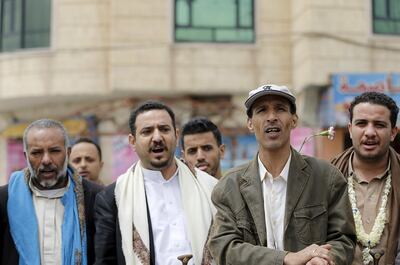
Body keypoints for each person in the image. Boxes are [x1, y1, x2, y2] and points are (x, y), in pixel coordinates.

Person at [208, 84, 356, 265]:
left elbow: (344, 240)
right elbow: (223, 247)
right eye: (262, 110)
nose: (271, 117)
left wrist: (324, 259)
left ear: (294, 120)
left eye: (280, 109)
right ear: (250, 124)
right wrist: (286, 258)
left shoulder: (326, 178)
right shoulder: (229, 186)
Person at [94, 100, 217, 265]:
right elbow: (105, 261)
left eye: (164, 129)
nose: (157, 137)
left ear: (176, 135)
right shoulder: (112, 197)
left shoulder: (211, 188)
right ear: (132, 141)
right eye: (147, 131)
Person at [0, 119, 102, 265]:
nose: (46, 160)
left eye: (54, 151)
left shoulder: (95, 197)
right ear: (26, 156)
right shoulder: (5, 199)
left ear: (68, 153)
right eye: (37, 153)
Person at [331, 92, 400, 265]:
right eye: (361, 123)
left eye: (379, 125)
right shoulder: (326, 177)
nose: (370, 132)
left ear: (393, 132)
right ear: (350, 130)